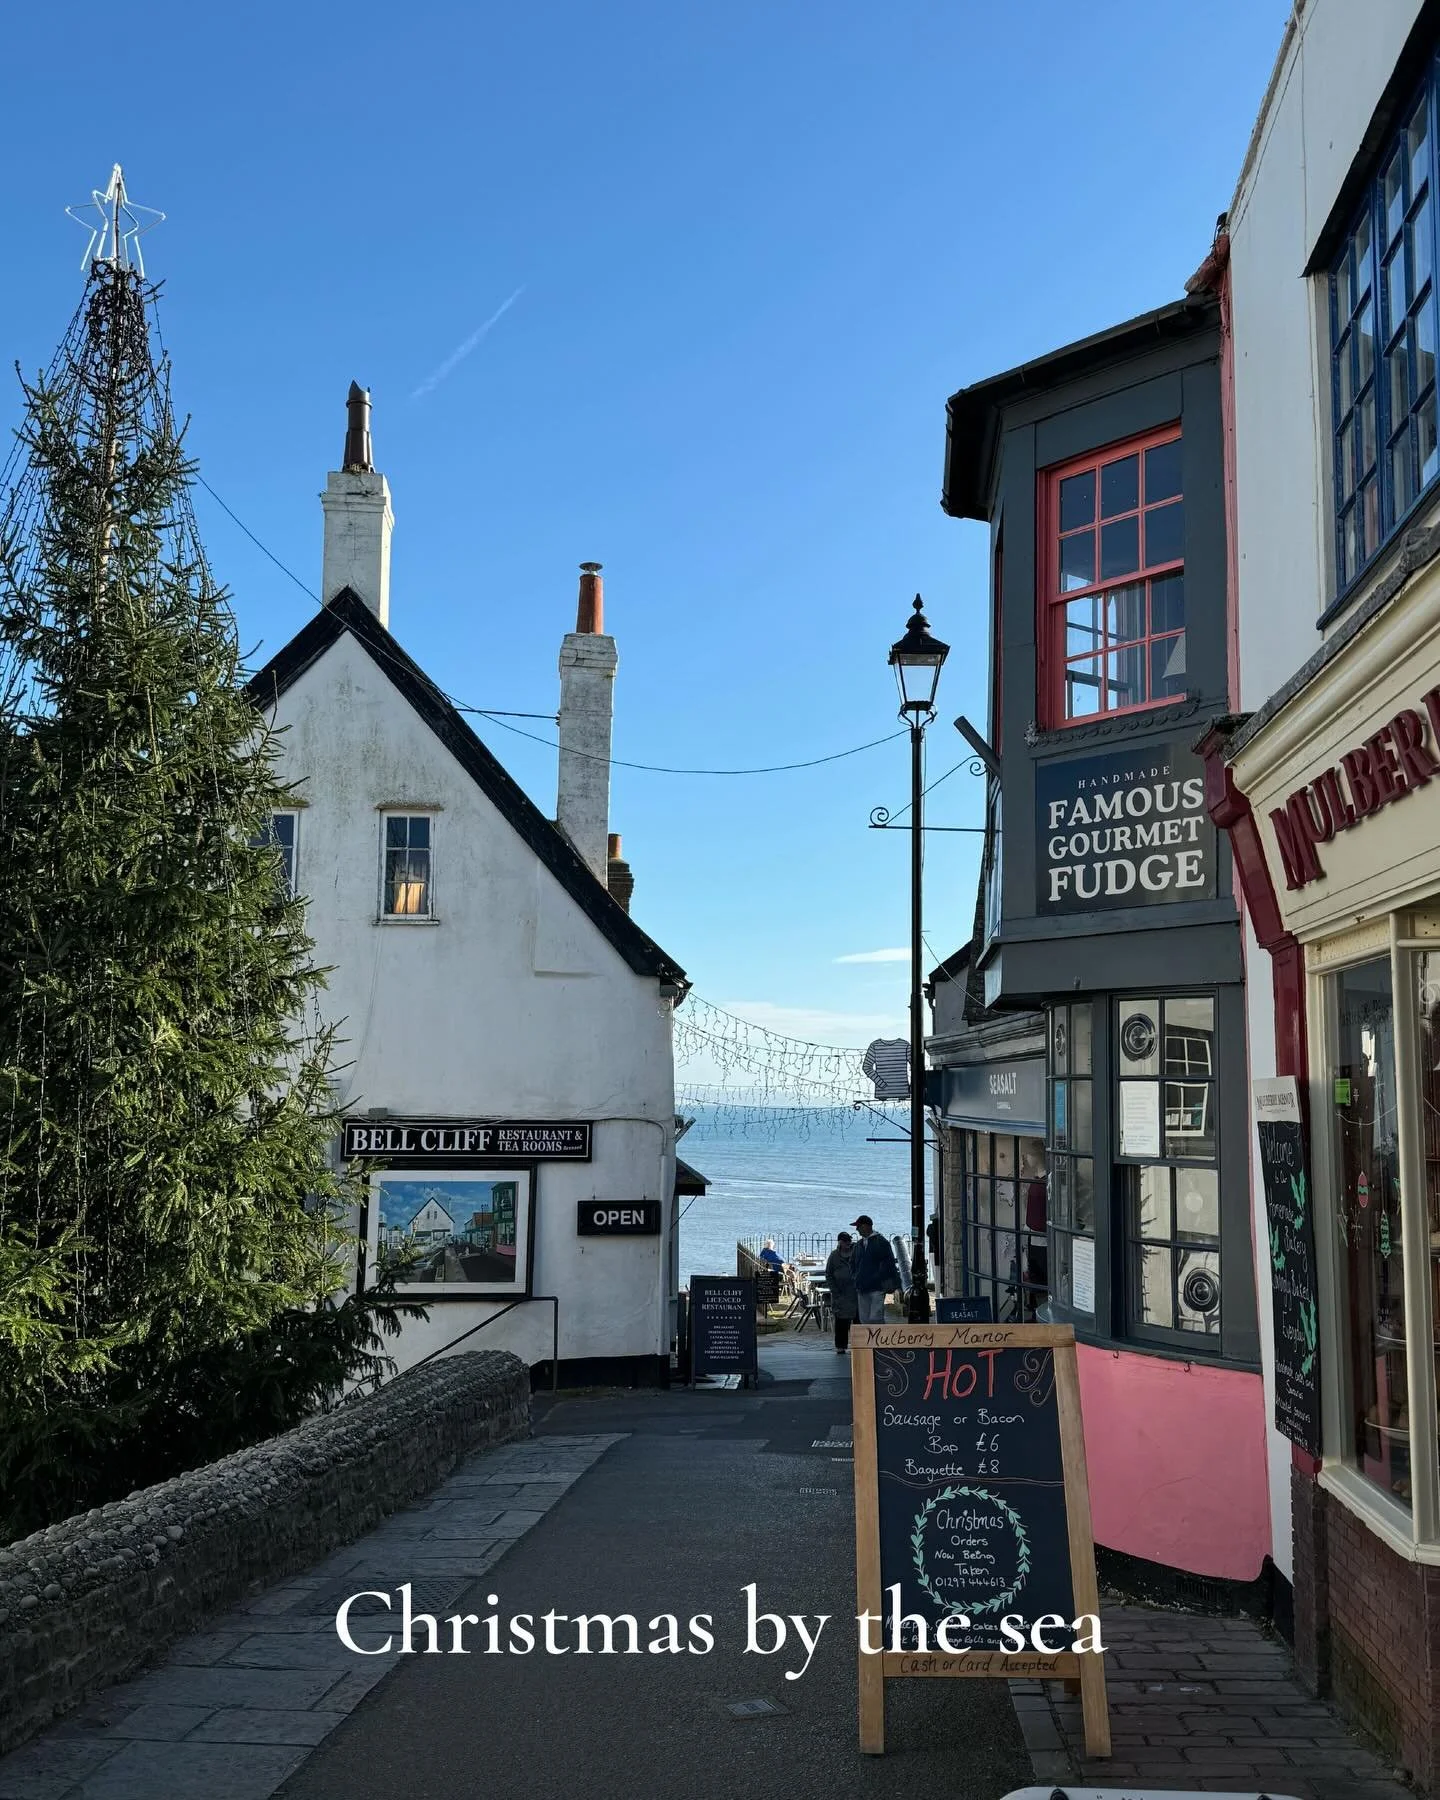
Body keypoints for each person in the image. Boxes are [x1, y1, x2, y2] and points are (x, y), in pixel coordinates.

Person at [851, 1214, 901, 1324]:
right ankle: (867, 1340)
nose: (857, 1229)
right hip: (862, 1287)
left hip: (877, 1287)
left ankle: (878, 1339)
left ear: (866, 1226)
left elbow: (889, 1264)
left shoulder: (881, 1243)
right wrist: (856, 1278)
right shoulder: (859, 1245)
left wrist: (882, 1278)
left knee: (875, 1318)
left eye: (858, 1226)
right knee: (864, 1319)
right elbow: (853, 1263)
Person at [825, 1231, 858, 1353]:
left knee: (857, 1320)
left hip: (855, 1293)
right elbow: (828, 1274)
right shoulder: (834, 1256)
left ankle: (858, 1345)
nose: (847, 1243)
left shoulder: (856, 1253)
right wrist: (834, 1290)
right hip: (840, 1293)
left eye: (849, 1241)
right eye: (845, 1241)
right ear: (840, 1242)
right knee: (841, 1321)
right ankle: (840, 1346)